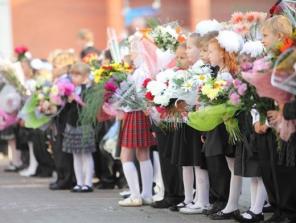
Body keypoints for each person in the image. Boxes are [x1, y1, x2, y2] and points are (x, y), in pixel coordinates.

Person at [118, 36, 156, 207]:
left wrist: (120, 101)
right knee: (143, 154)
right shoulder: (144, 69)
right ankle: (146, 194)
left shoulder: (141, 71)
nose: (131, 52)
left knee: (125, 155)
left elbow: (137, 95)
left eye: (134, 48)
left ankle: (135, 195)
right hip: (141, 113)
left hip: (135, 113)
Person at [62, 62, 96, 193]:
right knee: (76, 155)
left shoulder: (89, 89)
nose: (74, 78)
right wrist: (68, 99)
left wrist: (77, 98)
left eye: (77, 75)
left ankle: (88, 183)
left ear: (85, 75)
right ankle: (79, 182)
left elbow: (90, 107)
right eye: (73, 75)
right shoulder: (71, 89)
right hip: (72, 124)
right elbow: (67, 107)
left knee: (86, 154)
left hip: (84, 125)